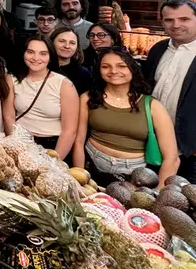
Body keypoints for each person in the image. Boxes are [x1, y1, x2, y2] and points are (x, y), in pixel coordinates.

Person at [144, 0, 196, 190]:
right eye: (169, 20)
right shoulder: (159, 49)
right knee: (156, 205)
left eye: (184, 19)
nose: (176, 25)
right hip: (157, 148)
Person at [73, 48, 179, 186]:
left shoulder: (152, 106)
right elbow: (79, 142)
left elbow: (171, 158)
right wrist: (79, 179)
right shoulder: (88, 98)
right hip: (92, 163)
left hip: (136, 174)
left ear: (132, 69)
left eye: (121, 66)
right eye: (106, 67)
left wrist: (158, 193)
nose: (113, 71)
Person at [13, 35, 79, 160]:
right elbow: (8, 118)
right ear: (23, 54)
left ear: (50, 57)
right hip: (20, 142)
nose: (36, 58)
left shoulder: (64, 84)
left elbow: (69, 131)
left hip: (51, 145)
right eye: (30, 52)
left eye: (43, 53)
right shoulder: (13, 80)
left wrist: (54, 161)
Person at [50, 26, 92, 95]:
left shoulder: (83, 73)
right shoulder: (42, 68)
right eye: (61, 41)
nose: (67, 46)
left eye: (72, 43)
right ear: (51, 42)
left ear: (77, 47)